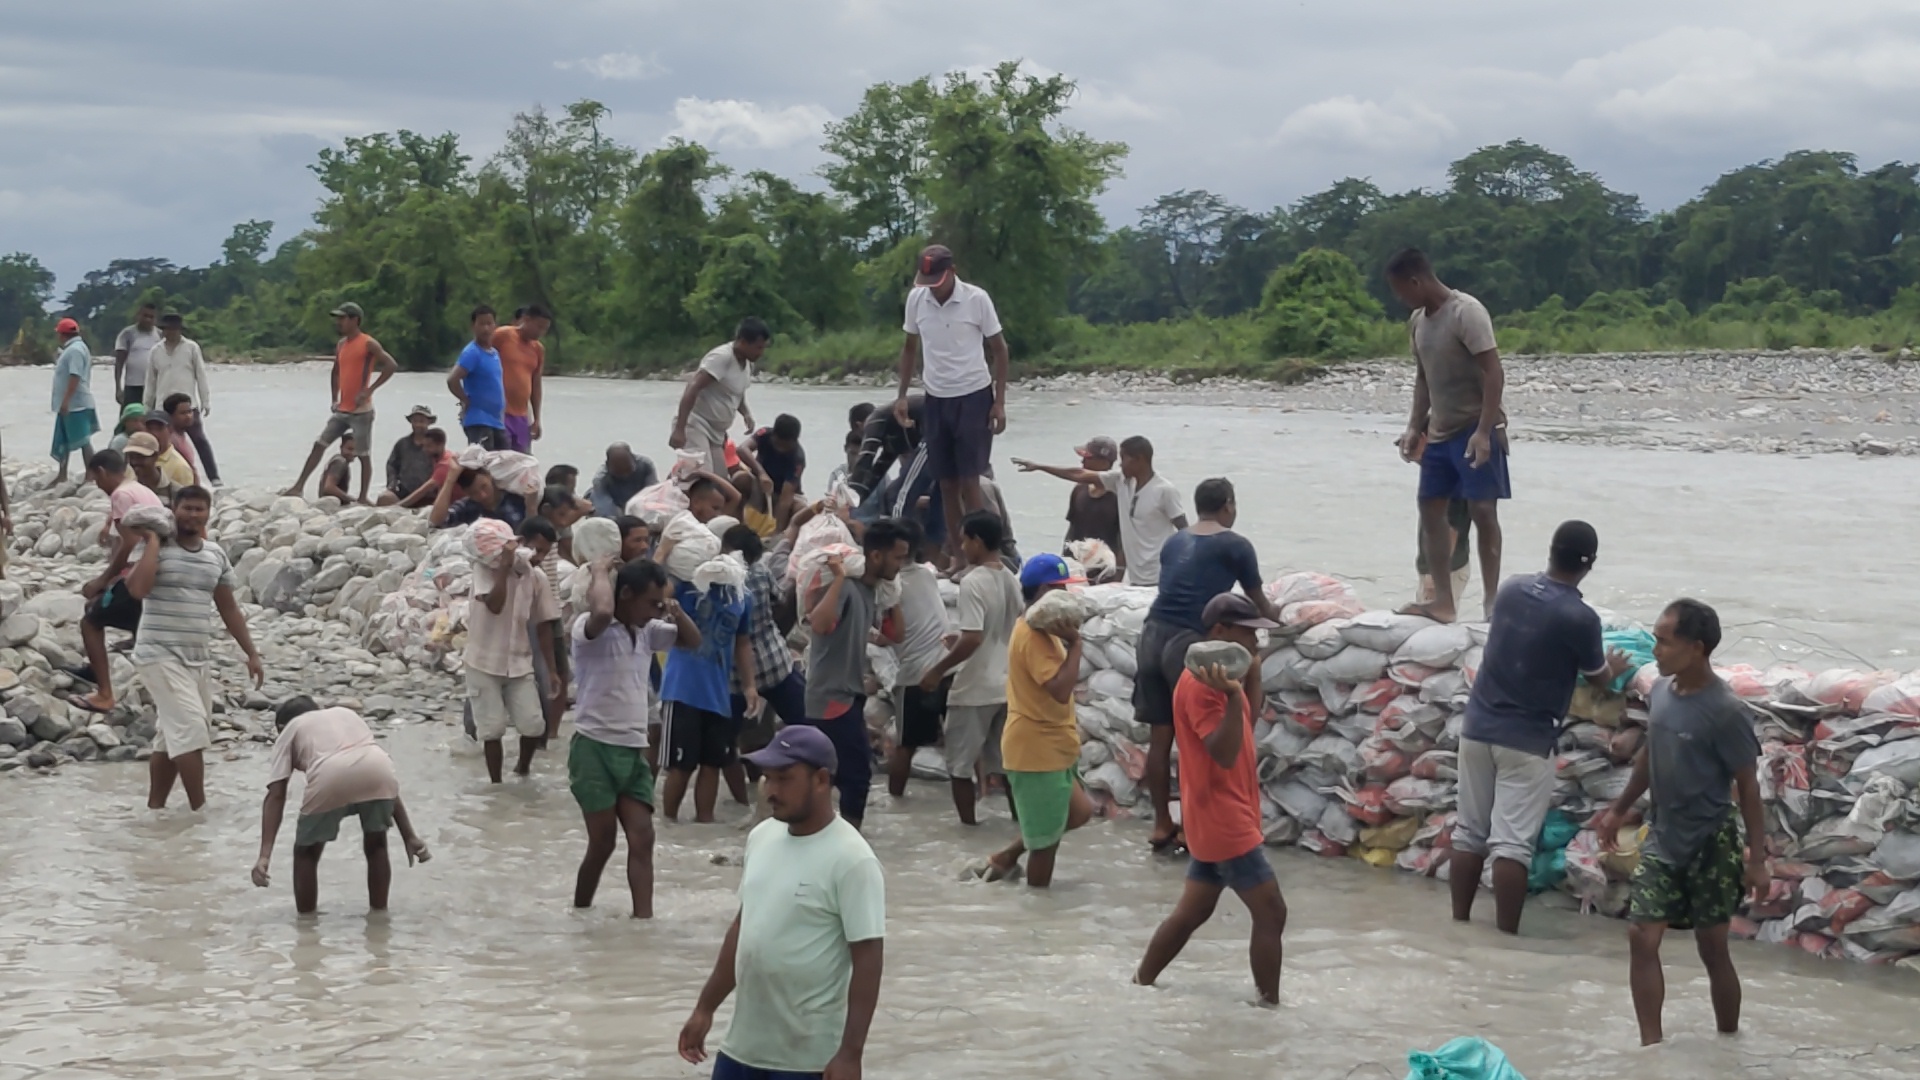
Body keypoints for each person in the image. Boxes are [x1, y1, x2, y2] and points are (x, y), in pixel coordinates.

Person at [1592, 599, 1767, 1046]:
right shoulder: (1662, 693)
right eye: (1655, 638)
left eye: (1665, 641)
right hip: (1663, 838)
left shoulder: (1726, 711)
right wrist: (1618, 809)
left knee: (1713, 950)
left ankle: (1730, 1045)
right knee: (1640, 936)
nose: (1656, 650)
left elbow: (1748, 788)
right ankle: (1651, 1050)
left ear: (1697, 648)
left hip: (1711, 843)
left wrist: (1757, 861)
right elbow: (1650, 755)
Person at [677, 726, 884, 1080]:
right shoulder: (762, 837)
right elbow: (744, 928)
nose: (771, 791)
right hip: (741, 1048)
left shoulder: (853, 859)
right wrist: (705, 1008)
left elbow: (867, 958)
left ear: (821, 780)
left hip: (805, 1059)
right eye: (767, 778)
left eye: (784, 779)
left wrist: (850, 1054)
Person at [1453, 520, 1629, 933]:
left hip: (1477, 727)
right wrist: (1615, 669)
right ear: (1590, 564)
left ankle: (1459, 923)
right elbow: (1598, 674)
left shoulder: (1511, 589)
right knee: (1512, 845)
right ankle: (1506, 936)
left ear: (1550, 550)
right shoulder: (1580, 617)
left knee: (1469, 833)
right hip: (1527, 740)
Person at [1134, 593, 1289, 1004]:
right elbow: (1221, 752)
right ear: (1220, 632)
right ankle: (1268, 1008)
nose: (1256, 640)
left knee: (1192, 912)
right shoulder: (1202, 685)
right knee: (1272, 911)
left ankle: (1140, 986)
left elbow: (1245, 726)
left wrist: (1249, 678)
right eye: (1249, 632)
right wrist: (1235, 694)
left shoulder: (1220, 679)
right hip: (1223, 817)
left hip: (1214, 810)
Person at [1129, 477, 1280, 851]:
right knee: (1198, 737)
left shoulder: (1175, 541)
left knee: (1161, 737)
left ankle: (1162, 823)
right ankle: (1191, 826)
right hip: (1190, 642)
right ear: (1228, 505)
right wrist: (1285, 621)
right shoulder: (1236, 545)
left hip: (1153, 634)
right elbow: (1258, 601)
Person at [570, 557, 700, 918]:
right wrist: (599, 572)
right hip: (593, 747)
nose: (655, 611)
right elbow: (601, 612)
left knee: (643, 838)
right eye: (651, 603)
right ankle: (580, 911)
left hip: (632, 747)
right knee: (603, 842)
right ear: (624, 594)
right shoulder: (590, 629)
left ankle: (644, 921)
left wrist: (672, 610)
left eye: (659, 604)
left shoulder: (647, 632)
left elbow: (693, 641)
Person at [125, 485, 266, 811]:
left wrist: (251, 652)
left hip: (196, 658)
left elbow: (228, 608)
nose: (192, 514)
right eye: (186, 508)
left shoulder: (214, 555)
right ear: (174, 509)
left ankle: (155, 809)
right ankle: (199, 811)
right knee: (190, 729)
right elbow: (137, 589)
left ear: (208, 513)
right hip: (158, 653)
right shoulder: (154, 548)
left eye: (199, 509)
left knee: (169, 735)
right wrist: (155, 542)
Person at [1387, 248, 1508, 624]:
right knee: (1430, 507)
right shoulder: (1418, 322)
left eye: (1400, 290)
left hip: (1475, 426)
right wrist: (1413, 425)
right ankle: (1443, 601)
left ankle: (1491, 602)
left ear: (1416, 282)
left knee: (1483, 511)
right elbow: (1423, 377)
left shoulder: (1466, 312)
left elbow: (1493, 372)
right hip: (1440, 431)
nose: (1400, 299)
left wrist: (1485, 432)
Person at [251, 697, 431, 914]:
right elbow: (384, 784)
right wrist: (409, 835)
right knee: (376, 843)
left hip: (330, 776)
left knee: (306, 853)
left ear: (281, 727)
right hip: (379, 768)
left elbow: (276, 795)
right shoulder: (346, 714)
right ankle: (379, 917)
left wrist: (264, 856)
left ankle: (307, 928)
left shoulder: (290, 729)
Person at [980, 553, 1093, 886]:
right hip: (1035, 750)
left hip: (1052, 745)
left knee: (1077, 812)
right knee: (1045, 845)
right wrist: (1075, 644)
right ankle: (1038, 919)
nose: (1068, 597)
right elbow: (1059, 689)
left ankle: (1006, 857)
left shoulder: (1041, 631)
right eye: (1061, 589)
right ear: (1044, 591)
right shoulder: (1033, 635)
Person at [895, 245, 1009, 555]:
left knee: (970, 480)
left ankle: (980, 554)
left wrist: (999, 402)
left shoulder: (976, 299)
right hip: (936, 397)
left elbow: (999, 349)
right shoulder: (917, 300)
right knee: (945, 483)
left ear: (952, 272)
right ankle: (958, 555)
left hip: (973, 395)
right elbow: (909, 349)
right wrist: (902, 395)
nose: (933, 287)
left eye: (938, 280)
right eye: (927, 280)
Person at [916, 511, 1022, 825]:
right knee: (1008, 766)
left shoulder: (973, 581)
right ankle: (1023, 827)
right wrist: (960, 640)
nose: (961, 546)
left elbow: (974, 639)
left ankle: (968, 829)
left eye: (964, 539)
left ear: (977, 540)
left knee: (960, 768)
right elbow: (1003, 630)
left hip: (974, 687)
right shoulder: (1010, 577)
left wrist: (937, 669)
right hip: (1006, 685)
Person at [802, 518, 909, 830]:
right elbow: (819, 625)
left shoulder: (870, 592)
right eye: (898, 557)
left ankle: (821, 832)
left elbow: (897, 634)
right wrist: (837, 578)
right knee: (856, 776)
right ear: (876, 556)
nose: (901, 565)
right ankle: (847, 838)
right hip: (830, 697)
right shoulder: (848, 588)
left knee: (827, 772)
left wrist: (893, 596)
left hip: (847, 695)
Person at [657, 528, 756, 824]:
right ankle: (668, 824)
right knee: (681, 765)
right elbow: (656, 594)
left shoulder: (741, 595)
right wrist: (663, 552)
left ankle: (705, 824)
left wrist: (750, 685)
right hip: (682, 689)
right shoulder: (688, 586)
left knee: (713, 764)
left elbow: (742, 642)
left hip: (718, 693)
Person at [1014, 435, 1186, 587]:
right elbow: (1078, 474)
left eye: (1124, 458)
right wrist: (1039, 466)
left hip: (1159, 574)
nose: (1120, 464)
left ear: (1139, 459)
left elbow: (1185, 531)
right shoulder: (1120, 483)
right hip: (1134, 576)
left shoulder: (1165, 491)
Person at [465, 524, 564, 783]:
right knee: (492, 729)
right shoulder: (484, 571)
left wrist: (552, 670)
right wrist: (505, 566)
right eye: (537, 550)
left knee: (533, 724)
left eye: (544, 552)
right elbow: (495, 605)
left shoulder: (536, 577)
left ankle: (522, 770)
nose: (539, 557)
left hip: (519, 662)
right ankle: (496, 784)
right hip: (482, 661)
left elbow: (543, 624)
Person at [67, 449, 160, 714]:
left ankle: (104, 693)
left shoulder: (120, 494)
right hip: (154, 568)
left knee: (91, 619)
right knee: (138, 623)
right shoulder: (140, 489)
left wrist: (103, 579)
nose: (99, 486)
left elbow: (130, 542)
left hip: (139, 571)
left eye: (97, 480)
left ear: (102, 472)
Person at [283, 302, 396, 501]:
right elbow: (336, 372)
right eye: (338, 319)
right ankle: (298, 486)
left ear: (355, 320)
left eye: (342, 318)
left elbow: (390, 365)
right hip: (342, 409)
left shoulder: (368, 343)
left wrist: (369, 389)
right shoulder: (342, 344)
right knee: (320, 444)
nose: (339, 322)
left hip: (362, 410)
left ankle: (362, 497)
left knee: (363, 454)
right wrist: (334, 398)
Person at [883, 518, 952, 800]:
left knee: (906, 745)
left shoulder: (889, 587)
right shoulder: (926, 574)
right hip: (949, 667)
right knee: (963, 745)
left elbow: (891, 633)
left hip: (916, 675)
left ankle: (895, 801)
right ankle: (981, 794)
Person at [722, 525, 808, 730]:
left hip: (736, 677)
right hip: (774, 663)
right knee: (806, 722)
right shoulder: (760, 571)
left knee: (724, 741)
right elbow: (779, 599)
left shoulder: (720, 583)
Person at [671, 318, 769, 474]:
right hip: (697, 424)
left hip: (717, 434)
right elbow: (693, 387)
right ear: (743, 342)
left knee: (721, 483)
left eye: (763, 348)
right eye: (758, 348)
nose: (761, 353)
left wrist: (746, 414)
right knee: (703, 479)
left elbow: (737, 392)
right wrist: (679, 429)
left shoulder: (748, 363)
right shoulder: (722, 357)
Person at [144, 314, 218, 484]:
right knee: (164, 443)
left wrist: (205, 400)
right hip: (164, 406)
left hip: (188, 404)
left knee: (199, 439)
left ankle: (214, 477)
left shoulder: (191, 348)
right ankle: (167, 476)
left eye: (172, 329)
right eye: (165, 329)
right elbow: (150, 381)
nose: (168, 333)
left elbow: (201, 375)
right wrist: (146, 407)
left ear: (178, 330)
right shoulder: (156, 351)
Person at [1062, 435, 1124, 577]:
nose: (1082, 461)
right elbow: (1072, 529)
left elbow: (1124, 539)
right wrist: (1064, 560)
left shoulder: (1119, 496)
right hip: (1077, 564)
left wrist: (1119, 573)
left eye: (1088, 458)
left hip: (1107, 566)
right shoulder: (1079, 489)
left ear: (1104, 462)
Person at [493, 304, 551, 452]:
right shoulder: (503, 335)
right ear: (526, 319)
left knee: (522, 461)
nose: (541, 332)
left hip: (522, 414)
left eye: (544, 329)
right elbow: (481, 358)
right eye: (538, 327)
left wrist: (537, 419)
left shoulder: (538, 349)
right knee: (500, 459)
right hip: (499, 412)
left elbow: (536, 383)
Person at [449, 306, 508, 450]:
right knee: (482, 465)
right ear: (473, 327)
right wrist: (465, 399)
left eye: (489, 323)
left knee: (502, 465)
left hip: (496, 421)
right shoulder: (472, 353)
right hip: (479, 420)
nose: (486, 329)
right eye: (481, 324)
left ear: (495, 326)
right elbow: (452, 380)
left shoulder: (494, 353)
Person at [846, 394, 923, 504]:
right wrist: (856, 500)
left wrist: (848, 497)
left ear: (859, 426)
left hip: (932, 425)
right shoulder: (892, 435)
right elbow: (878, 471)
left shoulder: (874, 420)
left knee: (896, 495)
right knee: (894, 494)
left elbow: (864, 462)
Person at [50, 317, 98, 484]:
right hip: (71, 403)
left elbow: (74, 376)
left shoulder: (75, 350)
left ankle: (91, 474)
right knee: (63, 438)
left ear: (62, 335)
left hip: (76, 404)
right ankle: (62, 473)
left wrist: (66, 400)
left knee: (84, 440)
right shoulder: (74, 349)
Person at [742, 414, 805, 526]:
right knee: (740, 479)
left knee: (800, 507)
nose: (781, 449)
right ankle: (741, 519)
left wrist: (775, 529)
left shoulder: (797, 458)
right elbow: (742, 449)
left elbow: (786, 499)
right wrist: (761, 473)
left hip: (781, 493)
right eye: (778, 444)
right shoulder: (764, 434)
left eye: (785, 447)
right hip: (760, 483)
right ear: (773, 435)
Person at [428, 465, 528, 529]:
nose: (483, 495)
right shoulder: (467, 507)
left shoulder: (516, 499)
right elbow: (436, 521)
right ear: (466, 493)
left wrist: (531, 506)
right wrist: (449, 481)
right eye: (473, 493)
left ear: (489, 476)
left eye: (484, 487)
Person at [1416, 498, 1473, 608]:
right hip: (1437, 570)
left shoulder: (1451, 488)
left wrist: (1434, 576)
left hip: (1447, 571)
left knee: (1434, 620)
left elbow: (1452, 530)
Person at [380, 405, 443, 505]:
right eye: (415, 421)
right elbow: (391, 465)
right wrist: (392, 483)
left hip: (429, 495)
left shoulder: (435, 445)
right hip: (404, 491)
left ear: (429, 422)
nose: (418, 424)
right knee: (384, 498)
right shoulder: (402, 444)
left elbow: (442, 467)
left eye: (422, 421)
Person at [589, 442, 659, 519]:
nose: (625, 475)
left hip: (641, 503)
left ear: (634, 458)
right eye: (619, 472)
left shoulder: (645, 465)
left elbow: (653, 492)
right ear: (607, 465)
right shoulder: (600, 480)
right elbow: (605, 508)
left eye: (628, 469)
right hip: (615, 506)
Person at [114, 302, 160, 407]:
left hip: (154, 387)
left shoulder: (160, 335)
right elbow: (119, 363)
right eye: (145, 316)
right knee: (130, 420)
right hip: (132, 386)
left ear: (155, 319)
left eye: (151, 317)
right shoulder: (127, 334)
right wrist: (118, 388)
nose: (148, 319)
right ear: (138, 315)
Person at [160, 393, 211, 487]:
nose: (188, 416)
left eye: (189, 412)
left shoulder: (181, 435)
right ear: (170, 416)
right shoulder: (171, 440)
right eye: (183, 413)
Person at [139, 415, 198, 492]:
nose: (154, 433)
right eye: (150, 429)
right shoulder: (137, 458)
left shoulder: (180, 466)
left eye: (159, 429)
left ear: (170, 430)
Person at [122, 432, 179, 503]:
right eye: (131, 457)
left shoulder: (176, 492)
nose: (134, 462)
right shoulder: (125, 489)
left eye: (140, 457)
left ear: (155, 456)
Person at [319, 434, 357, 503]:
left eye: (356, 450)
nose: (352, 453)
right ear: (341, 447)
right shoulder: (340, 462)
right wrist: (353, 500)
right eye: (349, 449)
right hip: (331, 504)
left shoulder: (337, 460)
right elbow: (329, 488)